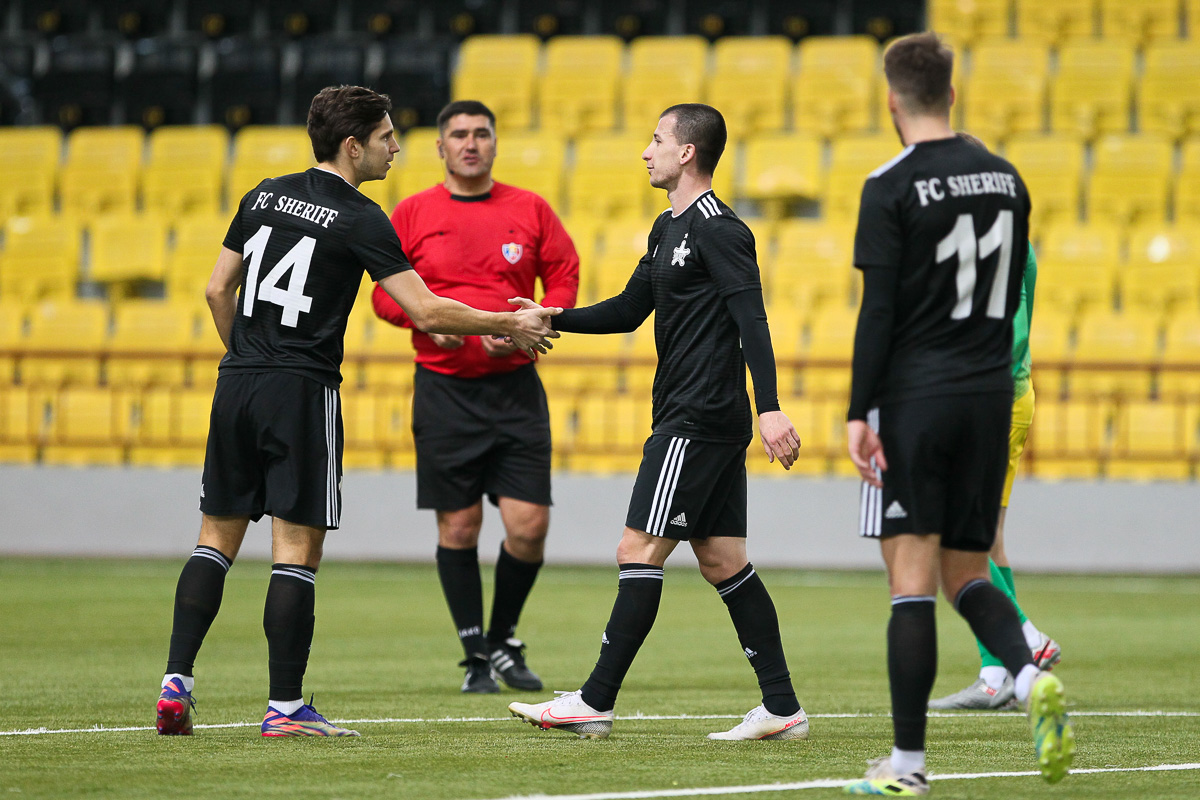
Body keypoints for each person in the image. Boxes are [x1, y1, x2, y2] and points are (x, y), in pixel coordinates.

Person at [154, 85, 561, 738]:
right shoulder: (361, 216)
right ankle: (286, 709)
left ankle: (176, 685)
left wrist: (248, 356)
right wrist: (507, 323)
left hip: (237, 385)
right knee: (295, 551)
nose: (395, 147)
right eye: (386, 137)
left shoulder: (261, 195)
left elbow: (215, 288)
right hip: (300, 392)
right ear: (353, 145)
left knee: (214, 542)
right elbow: (424, 310)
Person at [507, 103, 809, 742]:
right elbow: (627, 309)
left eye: (657, 139)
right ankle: (782, 708)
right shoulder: (666, 227)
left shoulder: (721, 229)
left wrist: (770, 405)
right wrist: (552, 317)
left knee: (636, 550)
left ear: (687, 152)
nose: (646, 151)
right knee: (723, 560)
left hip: (697, 415)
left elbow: (752, 320)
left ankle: (594, 702)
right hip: (697, 414)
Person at [842, 34, 1074, 794]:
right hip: (992, 395)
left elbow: (879, 312)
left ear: (891, 99)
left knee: (911, 580)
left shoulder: (890, 183)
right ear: (951, 93)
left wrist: (858, 410)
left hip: (920, 397)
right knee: (967, 571)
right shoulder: (1008, 179)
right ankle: (1030, 677)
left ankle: (907, 767)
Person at [371, 99, 580, 694]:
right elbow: (382, 293)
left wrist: (532, 321)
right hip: (443, 392)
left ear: (494, 144)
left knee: (529, 526)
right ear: (440, 146)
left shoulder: (529, 208)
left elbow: (564, 275)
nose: (471, 143)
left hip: (514, 389)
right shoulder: (412, 212)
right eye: (459, 134)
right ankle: (475, 658)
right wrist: (423, 320)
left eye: (481, 134)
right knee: (459, 527)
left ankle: (503, 639)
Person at [927, 131, 1061, 712]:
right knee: (986, 536)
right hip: (1012, 392)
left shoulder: (973, 243)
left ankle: (1024, 638)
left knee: (954, 540)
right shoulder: (1013, 239)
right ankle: (996, 672)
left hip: (988, 397)